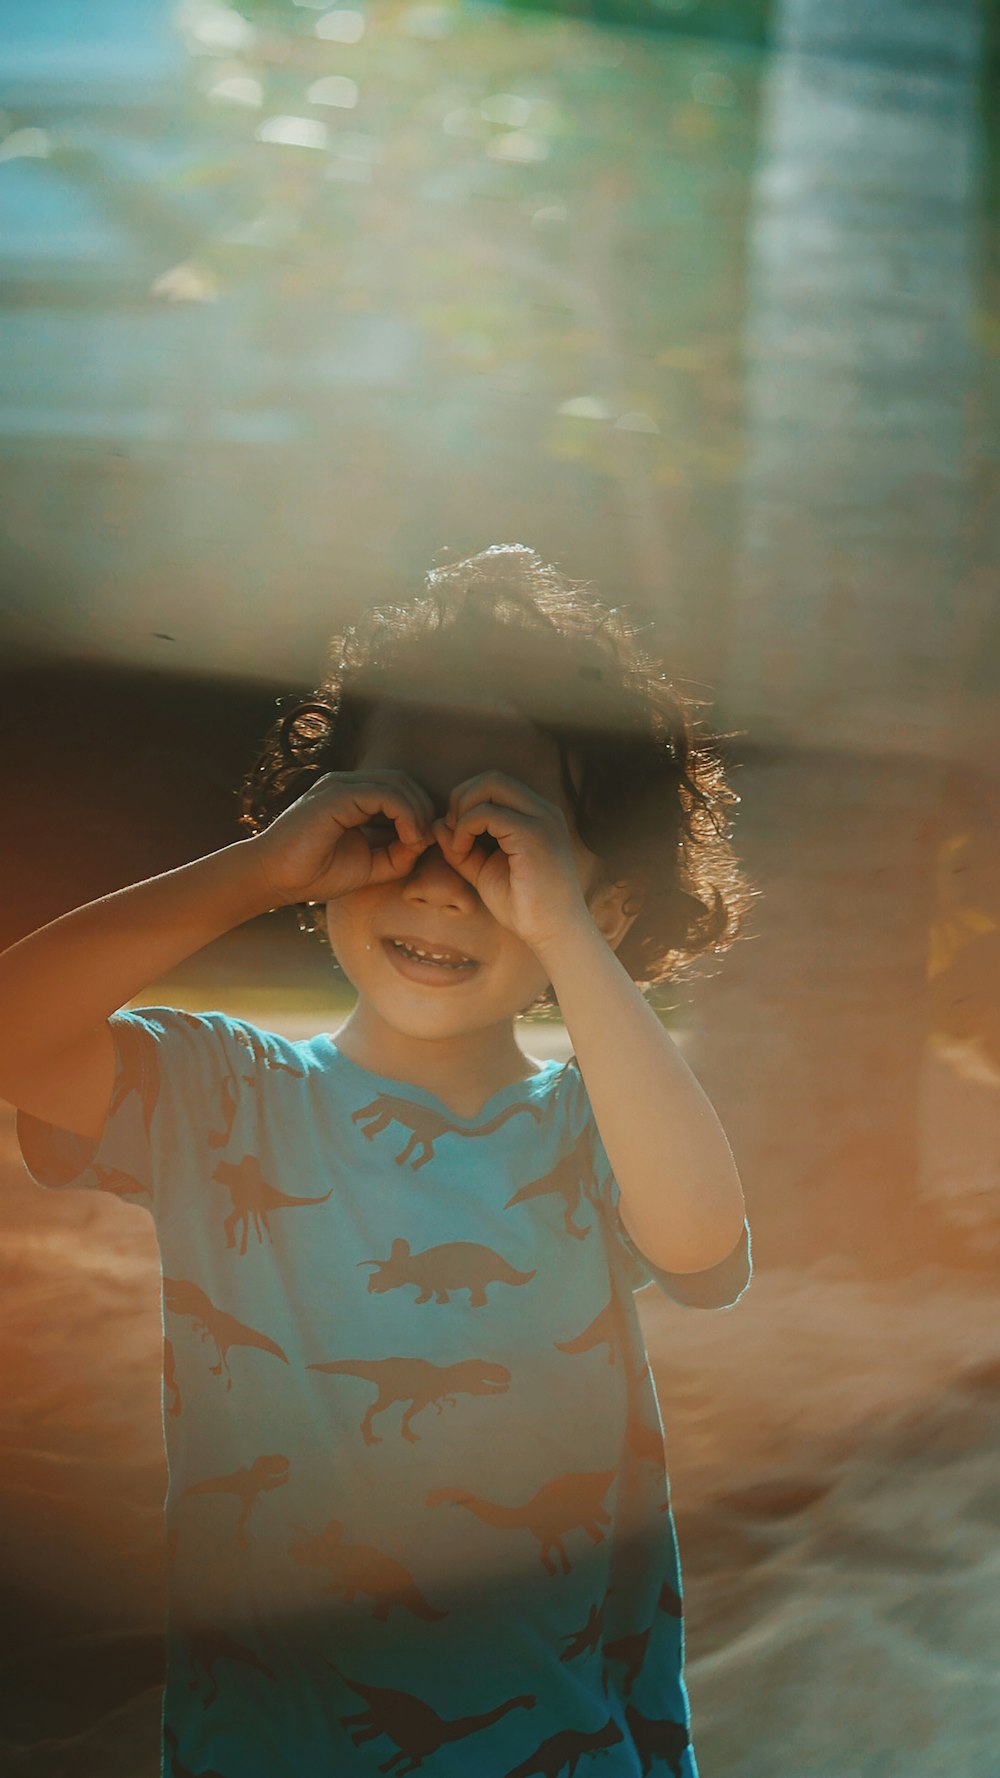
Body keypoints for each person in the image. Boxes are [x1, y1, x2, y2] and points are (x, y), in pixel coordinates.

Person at [2, 543, 756, 1778]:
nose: (437, 884)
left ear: (605, 901)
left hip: (557, 1741)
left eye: (498, 841)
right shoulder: (219, 1094)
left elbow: (700, 1242)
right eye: (396, 816)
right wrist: (256, 868)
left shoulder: (595, 1118)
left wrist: (561, 928)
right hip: (269, 1742)